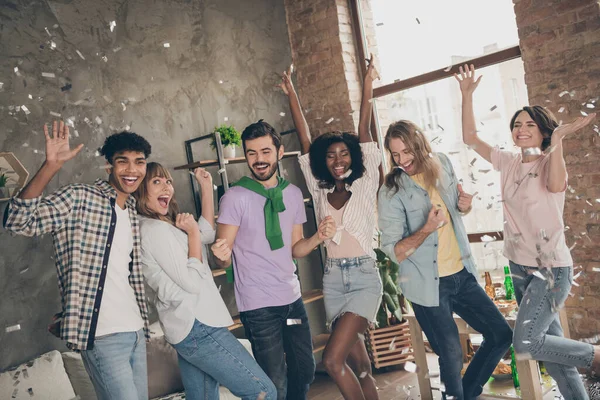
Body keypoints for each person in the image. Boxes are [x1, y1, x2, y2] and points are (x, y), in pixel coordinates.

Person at [455, 63, 600, 399]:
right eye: (517, 124)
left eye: (529, 124)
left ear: (543, 132)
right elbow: (470, 137)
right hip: (519, 268)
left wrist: (559, 141)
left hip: (551, 271)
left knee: (525, 342)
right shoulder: (507, 161)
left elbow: (555, 184)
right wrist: (466, 96)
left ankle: (594, 356)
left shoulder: (550, 163)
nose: (521, 129)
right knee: (554, 355)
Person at [4, 121, 152, 400]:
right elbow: (17, 221)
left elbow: (114, 276)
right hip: (103, 337)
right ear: (109, 165)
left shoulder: (131, 211)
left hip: (136, 331)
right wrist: (51, 166)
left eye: (139, 162)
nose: (132, 170)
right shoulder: (79, 199)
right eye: (123, 162)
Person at [377, 120, 513, 400]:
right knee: (450, 354)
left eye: (406, 152)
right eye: (395, 154)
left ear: (420, 145)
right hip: (426, 283)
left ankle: (466, 394)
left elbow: (455, 209)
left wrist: (466, 205)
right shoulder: (391, 191)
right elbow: (393, 250)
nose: (401, 160)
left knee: (500, 334)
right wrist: (426, 229)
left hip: (462, 274)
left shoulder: (443, 163)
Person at [279, 56, 382, 400]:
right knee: (361, 364)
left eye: (344, 154)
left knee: (332, 361)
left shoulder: (366, 184)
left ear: (353, 157)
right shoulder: (320, 190)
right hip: (334, 280)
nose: (338, 161)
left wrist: (368, 84)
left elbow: (365, 131)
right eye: (331, 156)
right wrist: (291, 93)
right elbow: (305, 140)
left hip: (365, 278)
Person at [211, 120, 335, 400]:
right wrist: (220, 257)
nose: (258, 159)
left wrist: (317, 237)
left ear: (279, 152)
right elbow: (224, 258)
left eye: (265, 151)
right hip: (258, 308)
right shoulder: (234, 198)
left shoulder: (292, 195)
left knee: (305, 369)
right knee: (274, 381)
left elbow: (296, 248)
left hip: (291, 302)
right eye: (252, 153)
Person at [134, 162, 276, 400]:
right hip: (198, 326)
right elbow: (192, 282)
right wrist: (191, 234)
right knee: (262, 391)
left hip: (190, 328)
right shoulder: (153, 230)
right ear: (140, 191)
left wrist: (206, 187)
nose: (166, 187)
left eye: (167, 181)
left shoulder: (165, 225)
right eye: (156, 182)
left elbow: (206, 233)